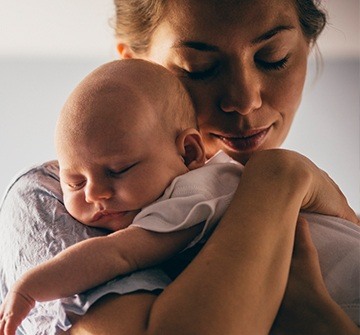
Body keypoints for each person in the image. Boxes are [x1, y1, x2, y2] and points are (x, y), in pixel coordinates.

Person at [0, 0, 359, 334]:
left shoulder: (203, 193)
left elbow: (123, 252)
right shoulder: (49, 194)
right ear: (131, 64)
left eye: (273, 57)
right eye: (198, 69)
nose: (244, 100)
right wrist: (279, 176)